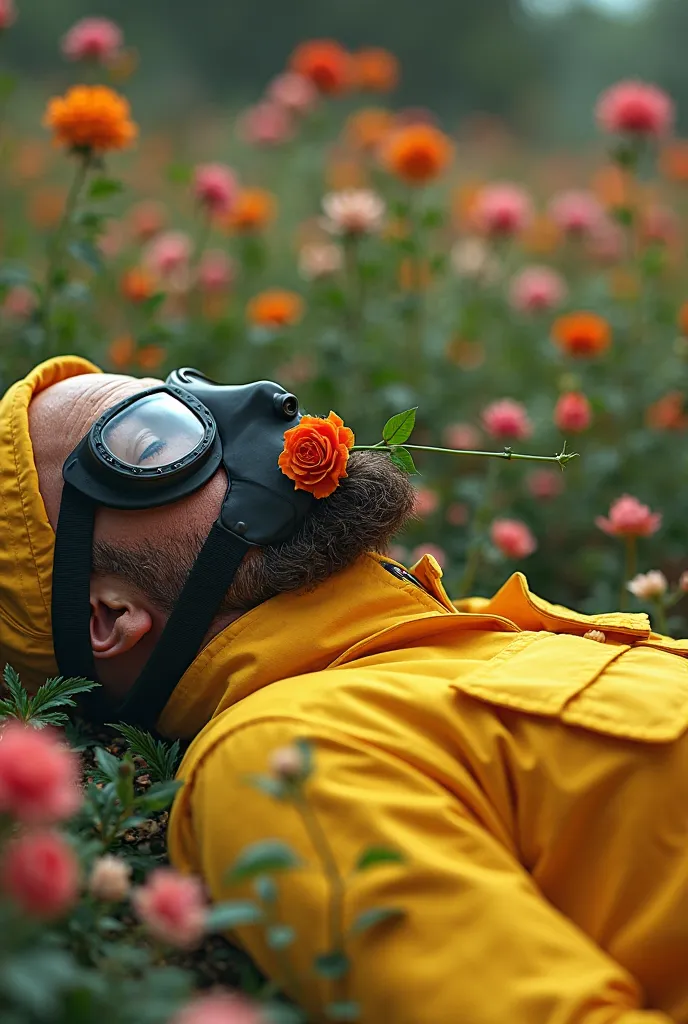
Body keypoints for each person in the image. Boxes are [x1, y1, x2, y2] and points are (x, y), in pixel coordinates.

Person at [1, 355, 687, 1024]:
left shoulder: (477, 632)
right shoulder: (283, 760)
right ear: (108, 616)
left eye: (192, 392)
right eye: (154, 439)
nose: (267, 397)